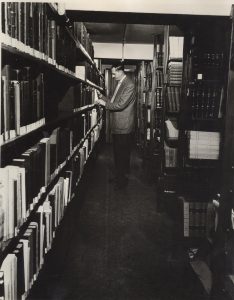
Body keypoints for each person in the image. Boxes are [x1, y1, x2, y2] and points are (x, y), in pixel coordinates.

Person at [95, 61, 136, 189]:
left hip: (123, 126)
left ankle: (122, 182)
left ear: (120, 71)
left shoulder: (129, 85)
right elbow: (113, 100)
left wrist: (103, 104)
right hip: (117, 125)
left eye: (114, 73)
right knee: (118, 153)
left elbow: (120, 105)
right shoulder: (119, 83)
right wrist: (102, 97)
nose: (113, 76)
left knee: (122, 155)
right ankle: (119, 176)